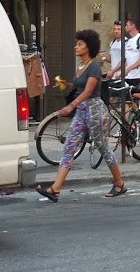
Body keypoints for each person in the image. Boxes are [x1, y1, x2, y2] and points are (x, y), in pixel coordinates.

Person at [37, 29, 127, 200]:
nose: (76, 47)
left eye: (80, 44)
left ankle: (119, 183)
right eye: (76, 44)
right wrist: (67, 84)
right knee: (69, 146)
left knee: (102, 147)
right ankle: (55, 189)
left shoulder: (93, 66)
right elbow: (79, 87)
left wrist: (70, 107)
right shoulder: (81, 66)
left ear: (88, 47)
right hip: (82, 111)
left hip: (94, 111)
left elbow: (88, 91)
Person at [123, 14, 140, 99]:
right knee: (127, 102)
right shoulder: (127, 41)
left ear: (133, 26)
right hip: (128, 77)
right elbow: (126, 59)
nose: (125, 27)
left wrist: (129, 69)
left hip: (139, 77)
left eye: (127, 25)